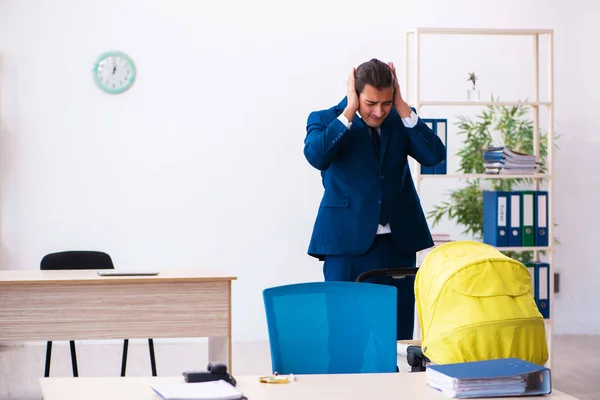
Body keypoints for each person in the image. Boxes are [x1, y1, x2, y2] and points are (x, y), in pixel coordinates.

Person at [303, 58, 446, 370]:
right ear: (355, 93)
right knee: (344, 341)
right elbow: (316, 155)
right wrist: (350, 112)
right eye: (370, 103)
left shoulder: (401, 120)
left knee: (393, 343)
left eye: (385, 102)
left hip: (397, 246)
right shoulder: (327, 120)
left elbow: (435, 155)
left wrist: (404, 107)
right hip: (345, 247)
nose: (378, 112)